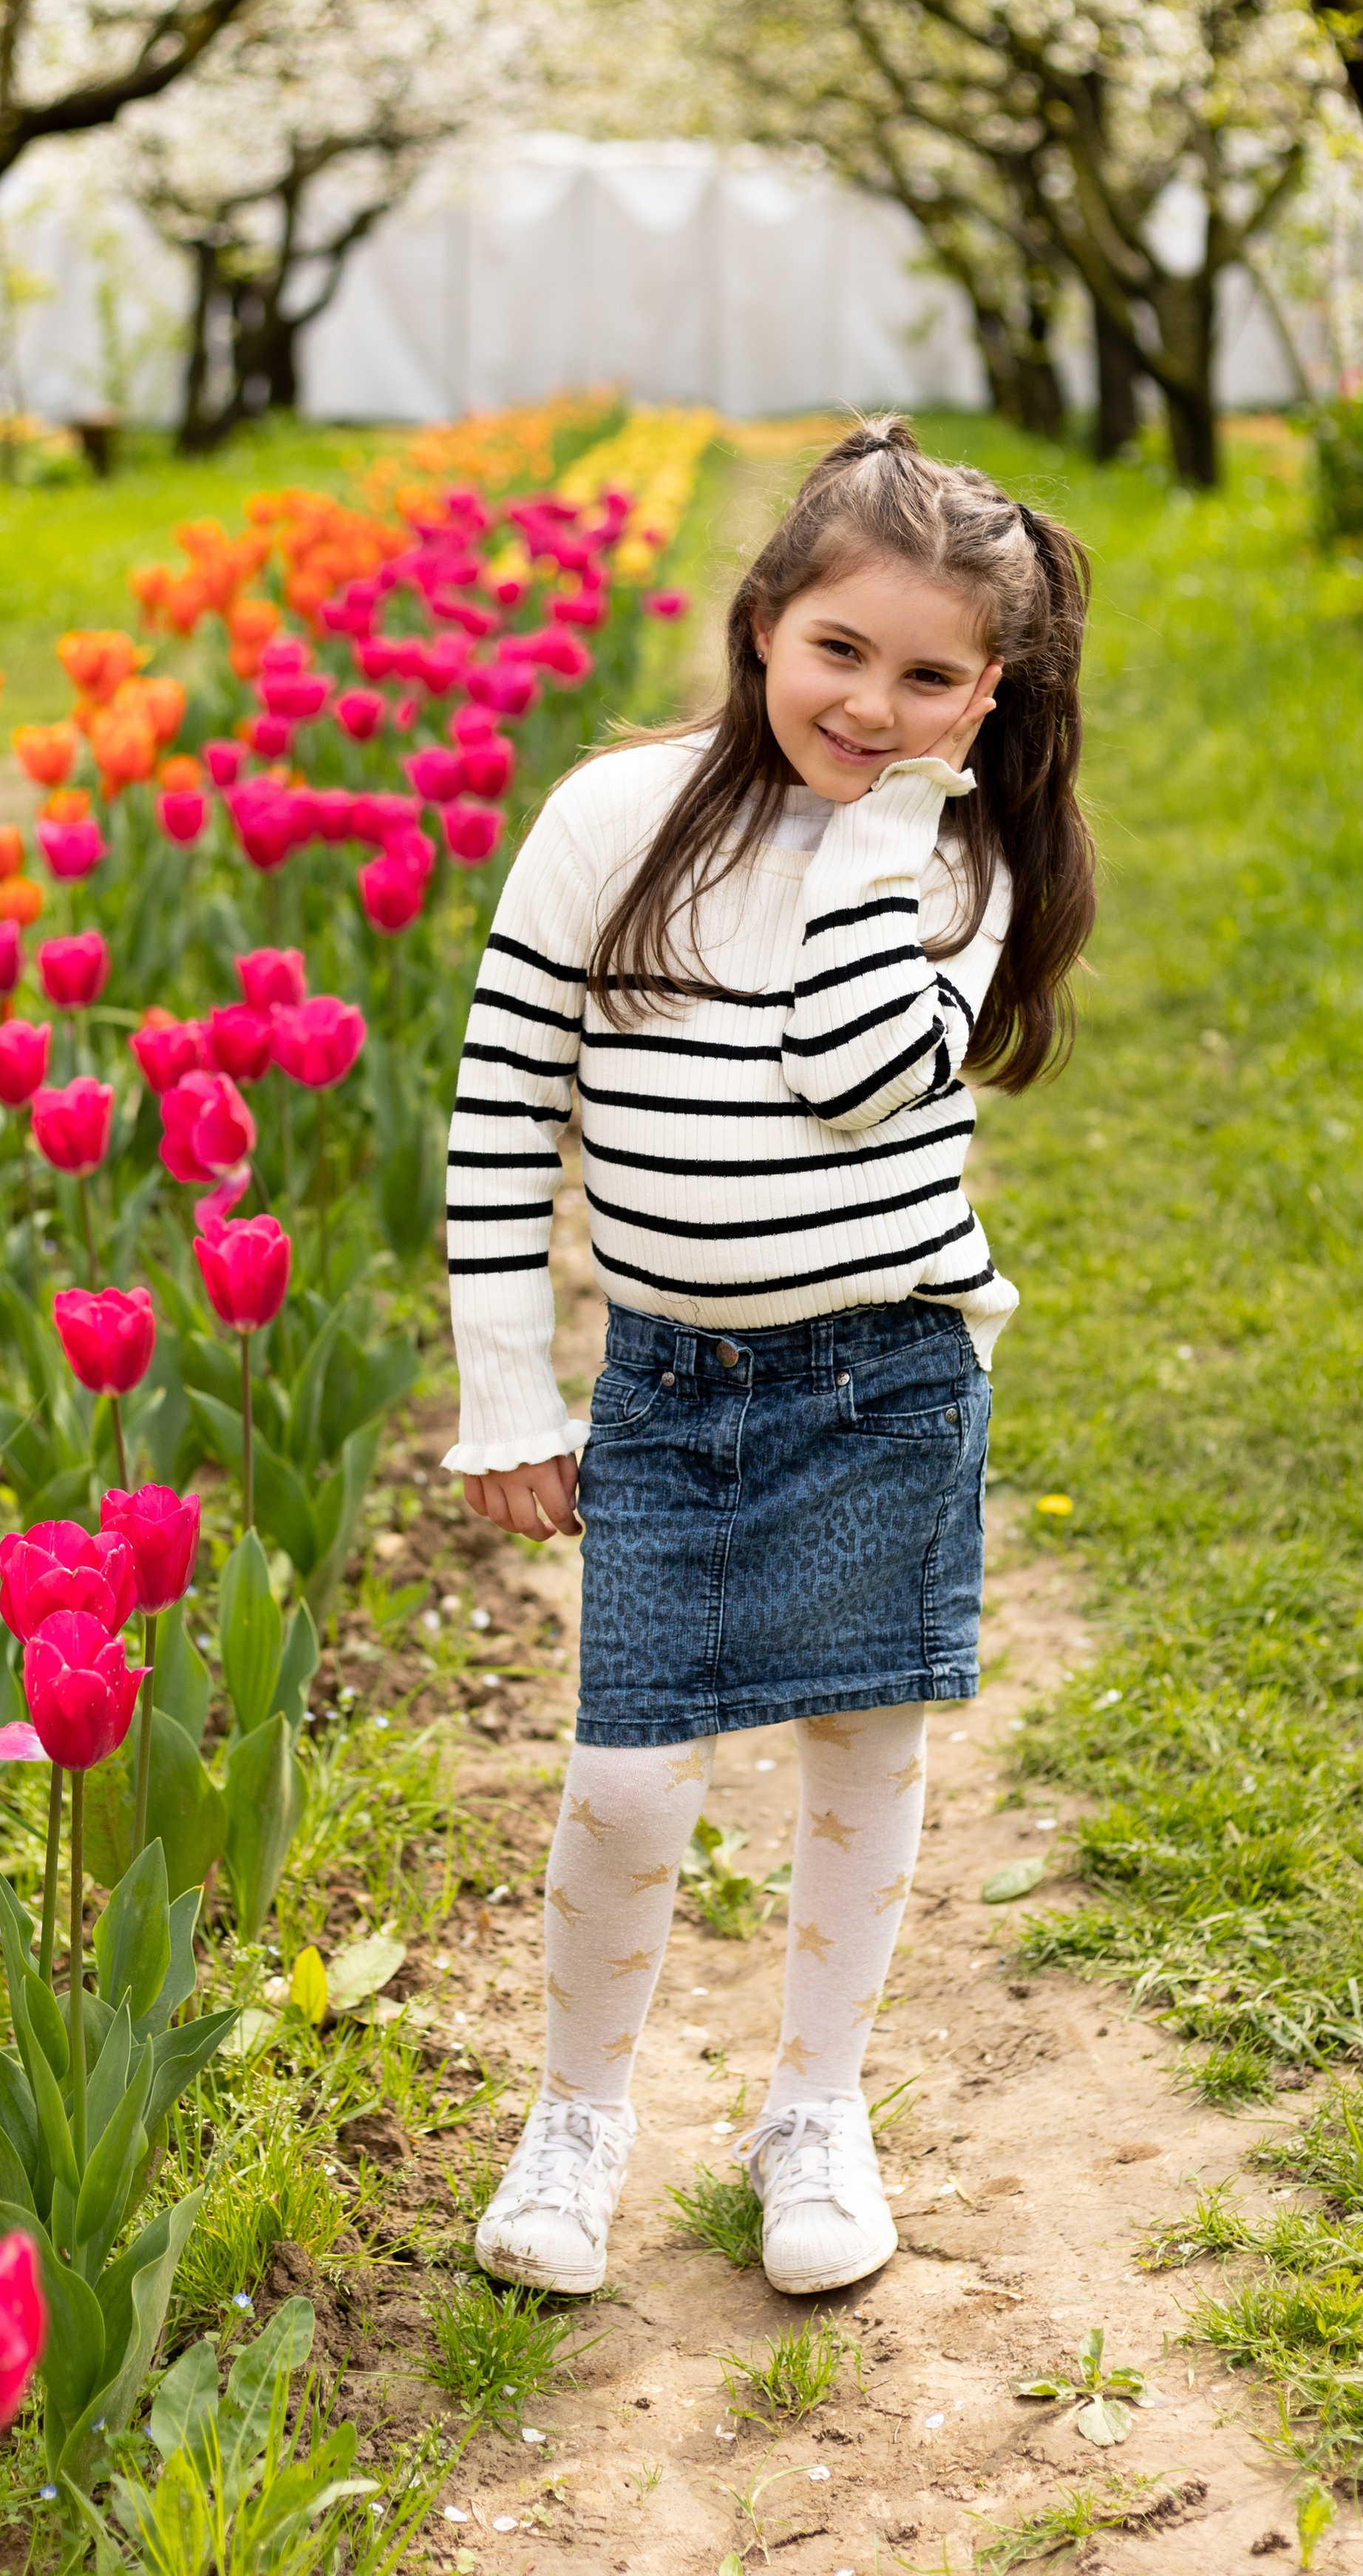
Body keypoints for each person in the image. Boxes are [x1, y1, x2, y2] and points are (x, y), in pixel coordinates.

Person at [443, 416, 1095, 2297]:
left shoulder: (950, 868)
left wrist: (887, 830)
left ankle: (815, 2103)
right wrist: (506, 1388)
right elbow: (503, 1111)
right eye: (838, 651)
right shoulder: (611, 821)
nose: (870, 704)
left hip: (880, 1369)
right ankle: (577, 2113)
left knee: (857, 1745)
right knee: (631, 1781)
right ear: (759, 621)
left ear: (986, 697)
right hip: (673, 1387)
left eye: (925, 678)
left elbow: (844, 1068)